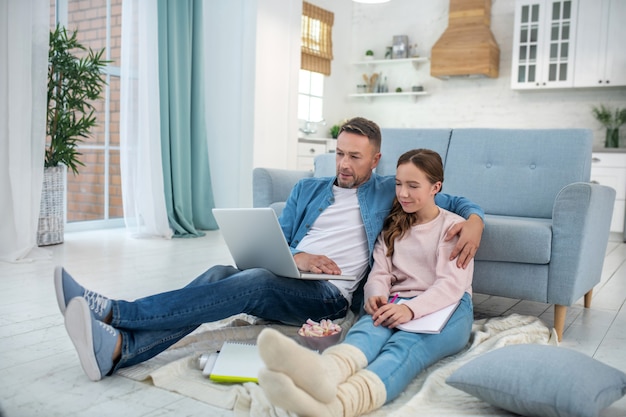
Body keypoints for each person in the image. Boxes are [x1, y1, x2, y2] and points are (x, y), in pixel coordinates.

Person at [55, 117, 484, 382]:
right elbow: (274, 239)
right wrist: (296, 258)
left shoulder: (391, 190)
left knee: (254, 282)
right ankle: (119, 350)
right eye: (339, 154)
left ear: (376, 160)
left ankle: (115, 311)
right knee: (221, 275)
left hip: (329, 297)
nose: (344, 165)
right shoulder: (307, 189)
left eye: (355, 157)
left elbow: (451, 201)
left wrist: (475, 223)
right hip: (292, 278)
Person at [256, 148, 475, 417]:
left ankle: (341, 405)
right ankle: (325, 373)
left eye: (413, 186)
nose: (403, 193)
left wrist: (410, 310)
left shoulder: (453, 227)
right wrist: (375, 294)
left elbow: (450, 286)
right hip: (398, 301)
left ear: (435, 187)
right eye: (398, 184)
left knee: (403, 348)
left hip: (448, 306)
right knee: (365, 332)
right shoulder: (393, 226)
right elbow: (380, 273)